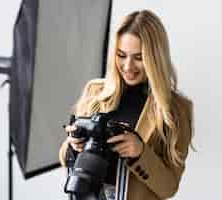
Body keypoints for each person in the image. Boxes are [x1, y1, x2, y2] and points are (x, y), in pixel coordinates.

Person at [59, 9, 194, 200]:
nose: (128, 66)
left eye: (139, 58)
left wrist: (140, 153)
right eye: (121, 55)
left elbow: (169, 188)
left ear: (155, 57)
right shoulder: (95, 92)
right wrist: (73, 146)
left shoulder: (175, 110)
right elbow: (65, 158)